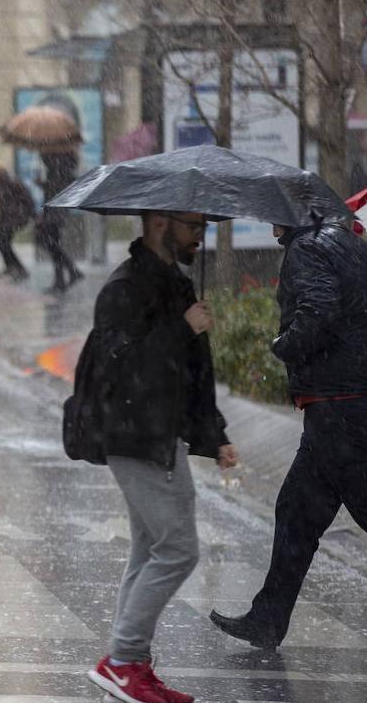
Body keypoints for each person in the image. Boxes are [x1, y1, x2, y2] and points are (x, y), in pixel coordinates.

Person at [210, 220, 367, 657]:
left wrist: (282, 344)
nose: (270, 222)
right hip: (354, 399)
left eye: (275, 214)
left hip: (339, 405)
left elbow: (319, 311)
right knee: (297, 511)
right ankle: (267, 619)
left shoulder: (307, 249)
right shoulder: (349, 242)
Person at [81, 211, 239, 703]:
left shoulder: (176, 284)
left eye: (204, 227)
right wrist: (181, 328)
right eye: (193, 226)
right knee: (178, 550)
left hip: (159, 434)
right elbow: (121, 369)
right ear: (158, 224)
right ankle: (123, 661)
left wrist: (215, 435)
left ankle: (133, 664)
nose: (200, 236)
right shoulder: (124, 289)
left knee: (150, 550)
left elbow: (195, 370)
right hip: (134, 435)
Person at [36, 151, 84, 293]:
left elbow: (55, 190)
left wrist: (43, 184)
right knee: (52, 245)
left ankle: (69, 274)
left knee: (50, 244)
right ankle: (65, 277)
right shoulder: (63, 170)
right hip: (56, 213)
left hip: (54, 214)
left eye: (45, 158)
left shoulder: (58, 170)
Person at [0, 159, 34, 281]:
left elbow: (27, 198)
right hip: (6, 218)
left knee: (2, 241)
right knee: (1, 242)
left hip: (14, 217)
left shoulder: (11, 182)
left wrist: (29, 214)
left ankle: (17, 268)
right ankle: (13, 266)